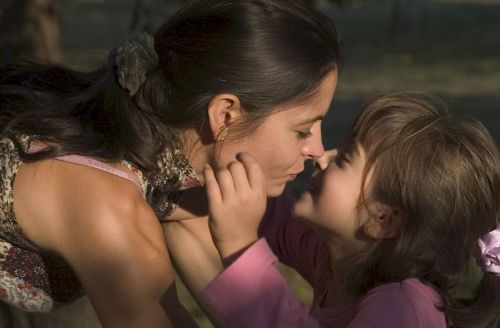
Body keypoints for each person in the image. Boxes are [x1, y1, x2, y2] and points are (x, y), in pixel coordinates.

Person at [0, 0, 341, 326]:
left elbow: (246, 314)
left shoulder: (178, 174)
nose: (317, 149)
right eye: (302, 129)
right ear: (225, 115)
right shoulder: (108, 206)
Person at [198, 93, 500, 327]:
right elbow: (271, 217)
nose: (321, 157)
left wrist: (240, 244)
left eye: (343, 160)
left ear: (382, 219)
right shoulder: (338, 259)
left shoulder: (403, 307)